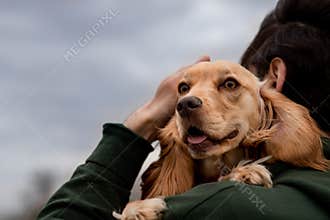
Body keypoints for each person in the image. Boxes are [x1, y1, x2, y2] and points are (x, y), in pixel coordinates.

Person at [37, 0, 330, 219]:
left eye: (230, 84)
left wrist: (143, 122)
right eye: (185, 89)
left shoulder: (223, 204)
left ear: (274, 81)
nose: (187, 102)